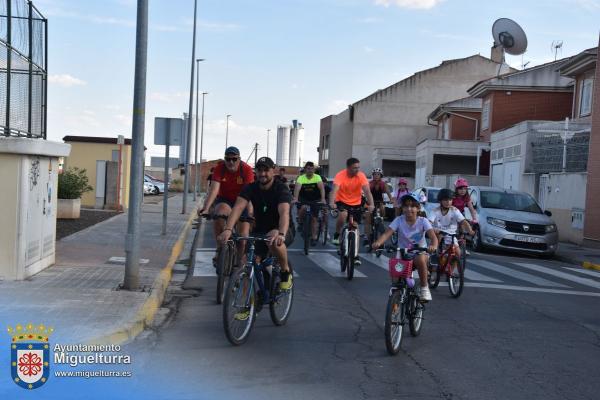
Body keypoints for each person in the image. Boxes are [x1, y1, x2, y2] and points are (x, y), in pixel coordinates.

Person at [218, 156, 293, 298]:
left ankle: (285, 272)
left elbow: (284, 213)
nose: (262, 174)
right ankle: (246, 304)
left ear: (273, 171)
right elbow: (238, 207)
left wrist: (281, 233)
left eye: (266, 170)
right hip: (260, 231)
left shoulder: (281, 188)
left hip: (283, 229)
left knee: (274, 241)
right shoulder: (250, 188)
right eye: (259, 170)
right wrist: (228, 229)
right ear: (255, 172)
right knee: (246, 262)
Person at [371, 193, 438, 302]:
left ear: (418, 208)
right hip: (403, 253)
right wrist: (378, 243)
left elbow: (433, 238)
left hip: (420, 253)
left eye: (412, 206)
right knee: (396, 280)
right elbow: (386, 234)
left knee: (420, 259)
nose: (409, 209)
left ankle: (424, 288)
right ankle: (395, 304)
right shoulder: (399, 220)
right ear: (402, 208)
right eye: (405, 206)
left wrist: (433, 246)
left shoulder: (423, 221)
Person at [198, 147, 254, 264]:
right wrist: (207, 208)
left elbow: (249, 194)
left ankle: (239, 264)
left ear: (239, 159)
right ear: (225, 159)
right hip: (225, 200)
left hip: (242, 201)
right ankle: (220, 248)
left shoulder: (246, 170)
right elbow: (213, 190)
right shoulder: (220, 168)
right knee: (219, 214)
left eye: (234, 159)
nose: (231, 162)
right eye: (228, 159)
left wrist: (250, 213)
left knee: (243, 237)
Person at [329, 158, 375, 266]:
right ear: (348, 168)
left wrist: (371, 204)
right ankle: (336, 234)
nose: (357, 170)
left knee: (355, 228)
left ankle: (355, 255)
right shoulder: (340, 175)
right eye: (354, 168)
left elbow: (367, 191)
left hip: (356, 203)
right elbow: (334, 190)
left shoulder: (361, 176)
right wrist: (332, 202)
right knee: (343, 215)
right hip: (342, 201)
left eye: (358, 167)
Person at [429, 189, 474, 260]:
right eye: (445, 200)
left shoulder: (455, 210)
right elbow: (429, 222)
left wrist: (470, 230)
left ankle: (451, 271)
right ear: (440, 201)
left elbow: (463, 221)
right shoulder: (435, 211)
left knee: (458, 254)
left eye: (450, 200)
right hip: (438, 234)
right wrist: (432, 229)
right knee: (436, 251)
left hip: (451, 235)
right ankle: (434, 258)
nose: (448, 202)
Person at [293, 161, 326, 246]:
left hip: (315, 199)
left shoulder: (317, 177)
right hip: (303, 198)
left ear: (314, 170)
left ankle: (314, 238)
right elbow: (297, 189)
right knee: (303, 208)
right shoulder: (301, 178)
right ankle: (300, 222)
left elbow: (322, 189)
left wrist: (322, 199)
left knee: (315, 219)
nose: (310, 170)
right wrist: (296, 198)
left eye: (312, 169)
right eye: (308, 169)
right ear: (305, 169)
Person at [364, 168, 395, 245]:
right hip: (371, 203)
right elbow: (366, 193)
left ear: (381, 176)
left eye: (378, 174)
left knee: (382, 209)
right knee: (368, 218)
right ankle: (366, 236)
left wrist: (391, 199)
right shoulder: (370, 183)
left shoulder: (383, 184)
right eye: (375, 174)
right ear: (373, 175)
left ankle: (380, 221)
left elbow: (388, 192)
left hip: (380, 202)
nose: (376, 176)